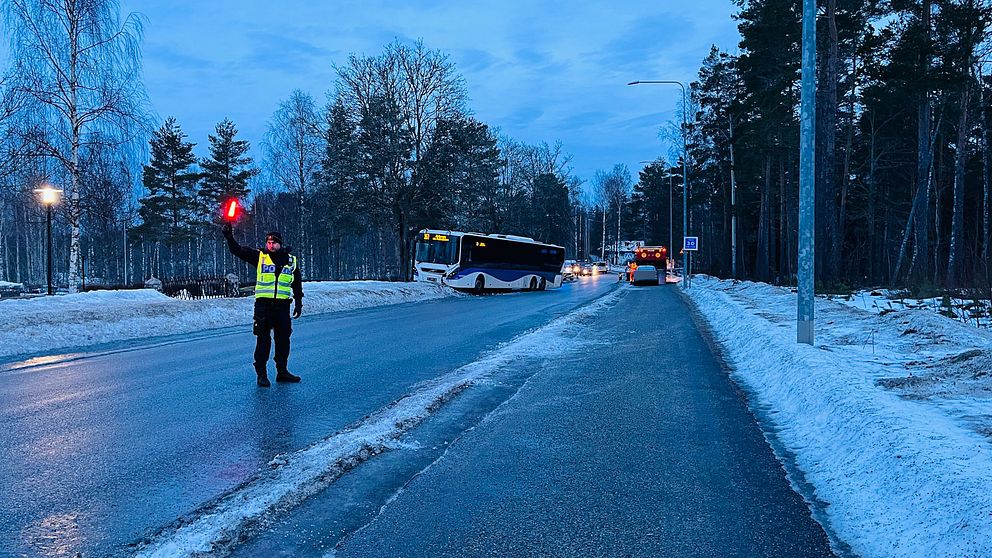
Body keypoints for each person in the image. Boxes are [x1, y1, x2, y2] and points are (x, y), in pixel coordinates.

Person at [223, 223, 303, 387]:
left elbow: (297, 283)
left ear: (280, 243)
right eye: (268, 242)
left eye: (273, 243)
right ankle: (261, 374)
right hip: (264, 307)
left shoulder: (291, 261)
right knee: (263, 341)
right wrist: (229, 236)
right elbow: (237, 250)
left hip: (282, 307)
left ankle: (282, 371)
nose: (270, 245)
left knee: (283, 340)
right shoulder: (260, 256)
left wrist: (299, 303)